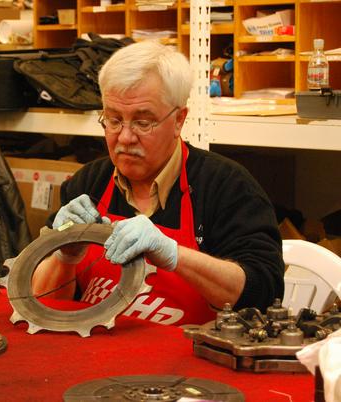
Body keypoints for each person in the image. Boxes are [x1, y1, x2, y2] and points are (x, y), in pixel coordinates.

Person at [31, 41, 285, 326]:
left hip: (189, 352)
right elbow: (38, 304)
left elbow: (263, 294)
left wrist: (175, 255)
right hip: (95, 349)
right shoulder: (88, 183)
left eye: (143, 122)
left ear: (179, 120)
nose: (125, 137)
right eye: (114, 120)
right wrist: (64, 255)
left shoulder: (227, 187)